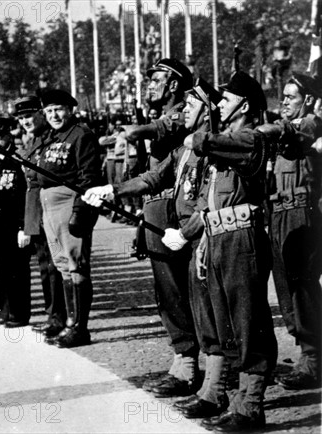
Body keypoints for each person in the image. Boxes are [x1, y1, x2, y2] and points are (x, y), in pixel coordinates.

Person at [84, 79, 221, 409]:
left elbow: (212, 197)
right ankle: (191, 369)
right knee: (172, 294)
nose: (185, 111)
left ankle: (217, 382)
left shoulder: (216, 146)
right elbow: (152, 177)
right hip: (178, 224)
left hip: (203, 234)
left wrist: (188, 232)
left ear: (206, 112)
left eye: (191, 107)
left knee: (207, 304)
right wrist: (111, 190)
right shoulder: (183, 150)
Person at [179, 71, 277, 432]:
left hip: (241, 238)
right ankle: (231, 396)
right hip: (218, 237)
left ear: (245, 105)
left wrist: (196, 132)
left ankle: (252, 403)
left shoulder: (251, 138)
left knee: (248, 321)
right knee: (226, 323)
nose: (219, 103)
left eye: (226, 99)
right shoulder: (227, 140)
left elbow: (202, 141)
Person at [114, 58, 200, 397]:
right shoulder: (162, 115)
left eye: (157, 79)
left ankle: (189, 362)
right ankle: (184, 356)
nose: (150, 84)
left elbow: (159, 131)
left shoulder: (184, 112)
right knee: (167, 291)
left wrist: (131, 132)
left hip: (170, 207)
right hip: (155, 207)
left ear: (175, 84)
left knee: (176, 288)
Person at [258, 73, 322, 390]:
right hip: (279, 213)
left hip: (303, 213)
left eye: (290, 96)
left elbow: (294, 133)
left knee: (302, 287)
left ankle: (312, 360)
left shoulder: (310, 124)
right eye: (282, 96)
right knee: (285, 288)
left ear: (308, 99)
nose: (283, 102)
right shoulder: (284, 130)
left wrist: (268, 130)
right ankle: (305, 352)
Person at [35, 89, 102, 348]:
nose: (54, 115)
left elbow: (89, 177)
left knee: (77, 264)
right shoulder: (51, 137)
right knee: (62, 265)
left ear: (70, 109)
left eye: (59, 109)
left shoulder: (81, 135)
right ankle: (68, 323)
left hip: (69, 204)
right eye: (49, 111)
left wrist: (80, 211)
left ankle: (79, 328)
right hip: (49, 206)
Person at [14, 96, 66, 336]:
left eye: (29, 116)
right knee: (46, 268)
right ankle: (53, 316)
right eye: (21, 118)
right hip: (37, 211)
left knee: (56, 267)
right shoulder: (32, 141)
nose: (25, 121)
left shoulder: (51, 139)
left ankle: (59, 318)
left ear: (41, 114)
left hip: (52, 210)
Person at [0, 117, 32, 327]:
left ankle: (19, 314)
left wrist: (24, 227)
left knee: (17, 271)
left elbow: (25, 195)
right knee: (0, 270)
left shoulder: (18, 159)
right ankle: (4, 311)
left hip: (14, 224)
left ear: (8, 136)